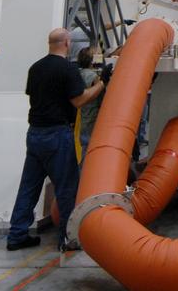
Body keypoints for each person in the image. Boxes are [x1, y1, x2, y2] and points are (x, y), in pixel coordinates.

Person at [7, 28, 106, 252]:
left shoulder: (36, 68)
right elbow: (79, 100)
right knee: (66, 188)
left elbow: (35, 96)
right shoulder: (66, 69)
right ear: (67, 43)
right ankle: (68, 237)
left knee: (28, 187)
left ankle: (16, 235)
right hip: (57, 135)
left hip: (34, 134)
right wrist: (102, 83)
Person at [74, 46, 104, 159]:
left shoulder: (80, 73)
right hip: (92, 118)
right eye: (98, 54)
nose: (100, 56)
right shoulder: (92, 76)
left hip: (83, 117)